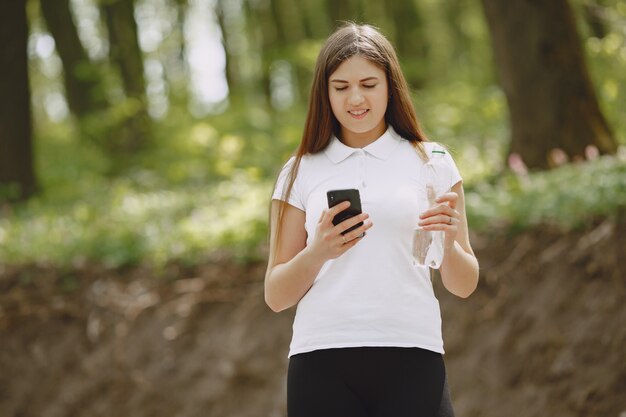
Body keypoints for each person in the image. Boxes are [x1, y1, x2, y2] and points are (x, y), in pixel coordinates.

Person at [265, 23, 479, 417]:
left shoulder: (433, 161)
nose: (356, 98)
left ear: (390, 86)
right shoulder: (299, 170)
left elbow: (463, 285)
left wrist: (449, 241)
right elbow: (276, 295)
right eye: (341, 87)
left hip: (414, 354)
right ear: (324, 93)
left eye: (369, 83)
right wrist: (318, 251)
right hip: (321, 361)